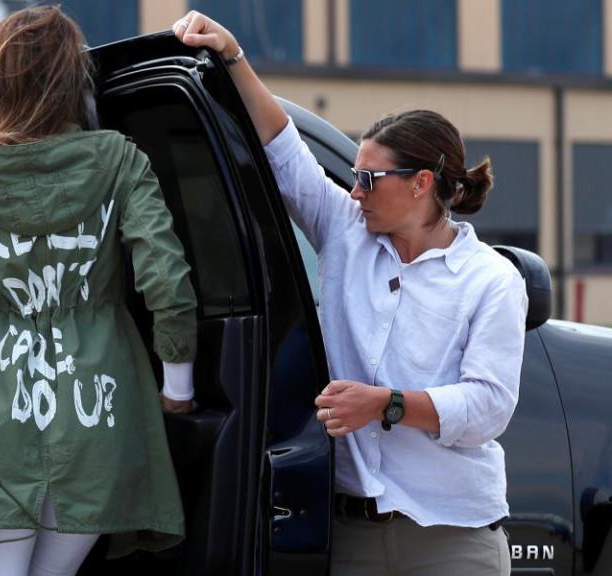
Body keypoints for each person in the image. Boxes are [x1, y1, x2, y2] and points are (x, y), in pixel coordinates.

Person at [174, 11, 527, 576]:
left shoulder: (491, 279)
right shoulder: (346, 230)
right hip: (350, 534)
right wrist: (234, 57)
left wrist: (384, 402)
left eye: (367, 178)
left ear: (421, 183)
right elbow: (283, 149)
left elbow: (488, 408)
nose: (354, 191)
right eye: (353, 176)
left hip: (453, 539)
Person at [0, 7, 197, 576]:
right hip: (100, 399)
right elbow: (167, 281)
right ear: (72, 81)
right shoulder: (119, 158)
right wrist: (178, 387)